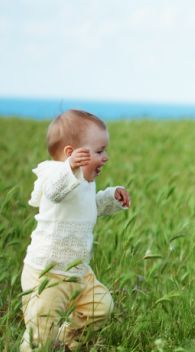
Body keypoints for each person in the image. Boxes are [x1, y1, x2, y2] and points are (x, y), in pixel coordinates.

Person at [20, 109, 131, 351]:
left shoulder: (86, 181)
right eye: (99, 151)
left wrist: (112, 197)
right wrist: (69, 168)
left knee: (101, 306)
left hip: (78, 272)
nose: (106, 157)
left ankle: (66, 342)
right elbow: (53, 192)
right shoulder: (54, 174)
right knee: (39, 336)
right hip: (48, 274)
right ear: (72, 154)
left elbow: (89, 207)